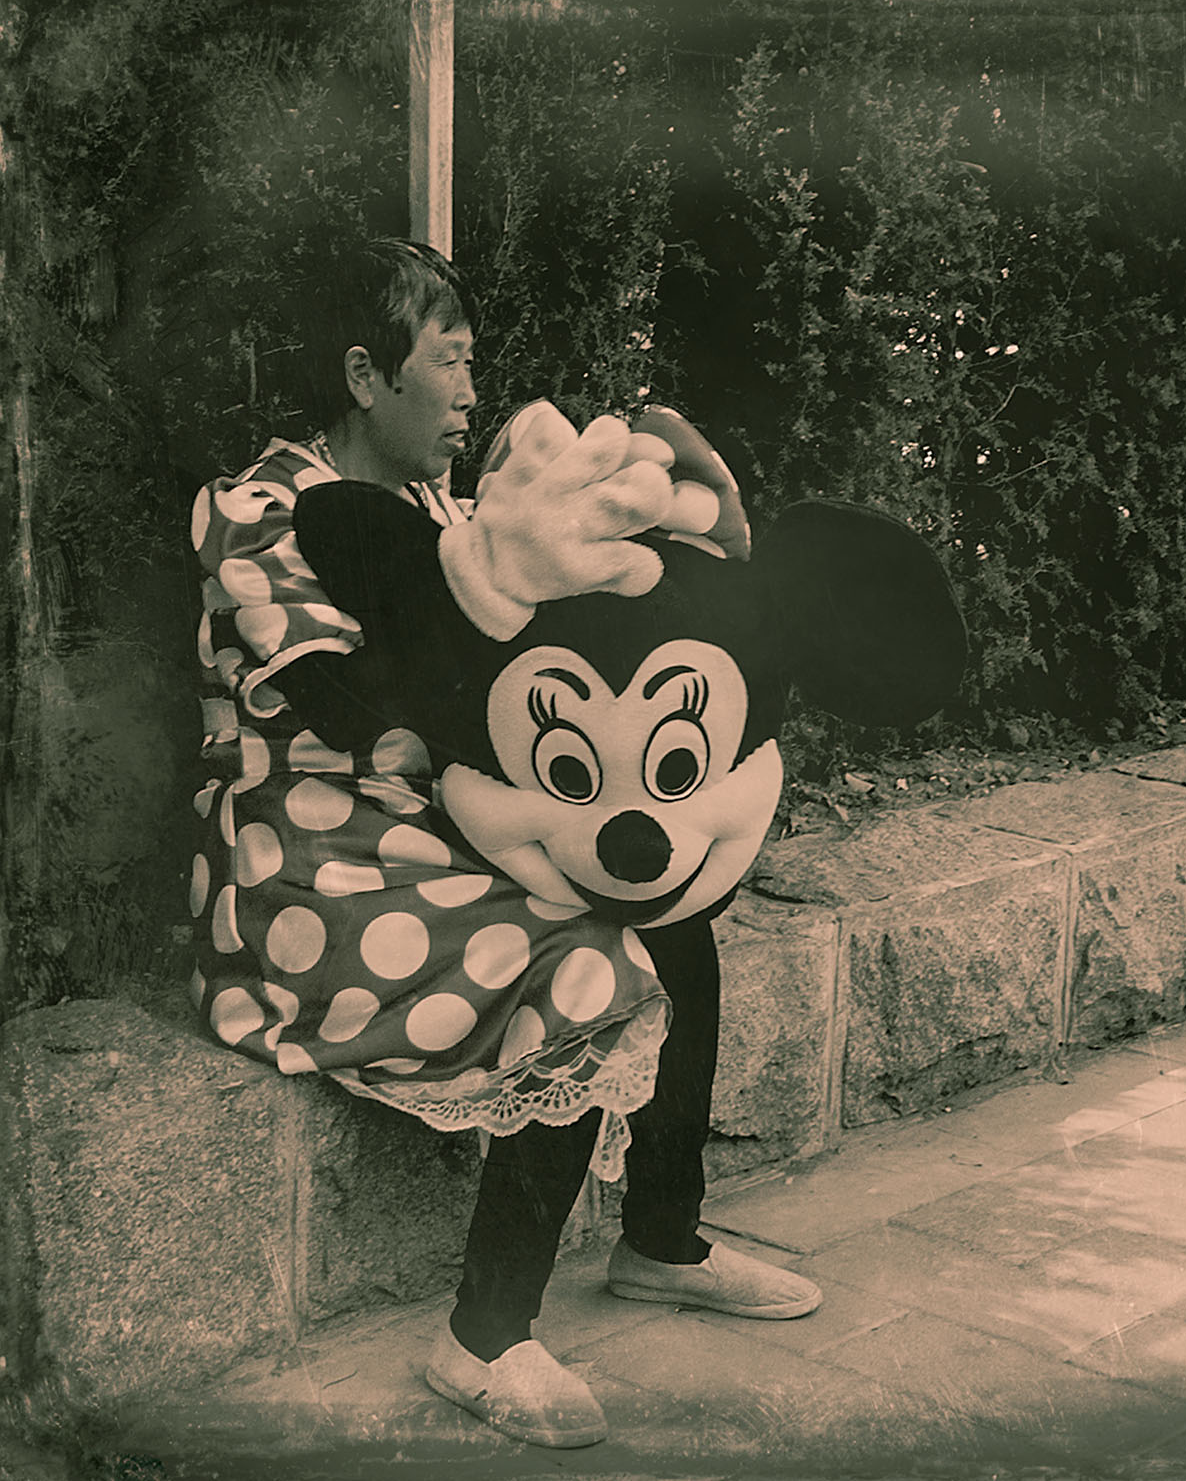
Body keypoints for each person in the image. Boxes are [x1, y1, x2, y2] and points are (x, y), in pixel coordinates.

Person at [188, 238, 820, 1451]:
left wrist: (668, 536)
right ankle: (482, 1339)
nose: (472, 394)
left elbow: (544, 655)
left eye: (476, 367)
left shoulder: (446, 511)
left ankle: (659, 1240)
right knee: (588, 973)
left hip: (427, 830)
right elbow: (352, 703)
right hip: (312, 870)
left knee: (674, 918)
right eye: (451, 362)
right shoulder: (256, 507)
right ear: (367, 374)